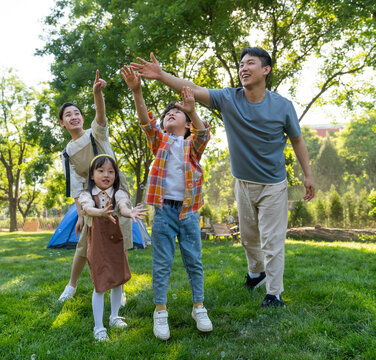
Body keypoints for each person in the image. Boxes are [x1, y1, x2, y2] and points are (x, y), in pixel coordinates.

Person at [131, 47, 315, 308]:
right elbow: (191, 88)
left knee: (272, 242)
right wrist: (161, 75)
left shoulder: (282, 106)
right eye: (241, 64)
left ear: (266, 69)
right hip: (242, 182)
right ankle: (256, 273)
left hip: (274, 184)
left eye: (250, 63)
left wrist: (307, 174)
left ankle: (274, 294)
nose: (243, 68)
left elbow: (297, 139)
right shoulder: (229, 98)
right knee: (249, 239)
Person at [121, 65, 213, 341]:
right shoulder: (160, 143)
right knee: (161, 263)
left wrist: (192, 109)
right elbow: (146, 123)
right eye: (167, 114)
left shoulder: (192, 147)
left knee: (193, 261)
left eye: (178, 113)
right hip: (163, 213)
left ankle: (199, 306)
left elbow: (204, 134)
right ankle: (160, 312)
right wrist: (137, 91)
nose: (170, 114)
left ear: (187, 125)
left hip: (187, 214)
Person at [57, 70, 133, 303]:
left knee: (118, 239)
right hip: (92, 198)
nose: (73, 117)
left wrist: (97, 94)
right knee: (84, 243)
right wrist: (80, 215)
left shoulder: (96, 134)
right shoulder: (66, 153)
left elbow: (101, 118)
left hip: (117, 191)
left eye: (77, 113)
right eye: (68, 115)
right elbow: (76, 187)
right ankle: (71, 285)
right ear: (62, 123)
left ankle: (118, 289)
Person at [79, 154, 147, 341]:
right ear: (92, 175)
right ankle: (98, 327)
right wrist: (100, 212)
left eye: (111, 171)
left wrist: (129, 212)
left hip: (115, 241)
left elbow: (123, 207)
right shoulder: (87, 194)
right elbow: (87, 209)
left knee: (118, 280)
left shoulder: (119, 193)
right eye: (101, 171)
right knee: (100, 285)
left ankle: (114, 316)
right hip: (98, 243)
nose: (106, 174)